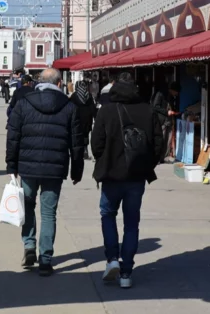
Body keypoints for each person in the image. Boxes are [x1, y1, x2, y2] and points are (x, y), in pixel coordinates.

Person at [6, 67, 84, 277]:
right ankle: (45, 259)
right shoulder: (69, 106)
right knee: (49, 213)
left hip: (28, 167)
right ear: (59, 83)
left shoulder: (24, 103)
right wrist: (77, 170)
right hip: (55, 168)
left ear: (39, 82)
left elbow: (13, 135)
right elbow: (77, 142)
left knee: (28, 205)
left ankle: (29, 244)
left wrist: (11, 165)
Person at [91, 72, 163, 289]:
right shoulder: (147, 110)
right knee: (132, 222)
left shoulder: (106, 110)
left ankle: (112, 258)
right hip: (136, 176)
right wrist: (147, 164)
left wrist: (104, 159)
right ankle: (126, 272)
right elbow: (158, 144)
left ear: (114, 87)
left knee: (108, 214)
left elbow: (96, 144)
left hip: (111, 174)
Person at [152, 82, 181, 162]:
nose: (176, 94)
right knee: (161, 139)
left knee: (168, 139)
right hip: (162, 120)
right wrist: (166, 112)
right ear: (173, 90)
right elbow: (155, 107)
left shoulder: (171, 97)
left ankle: (165, 156)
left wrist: (174, 111)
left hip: (169, 120)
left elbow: (171, 107)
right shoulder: (160, 94)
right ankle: (157, 157)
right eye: (176, 92)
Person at [70, 80, 97, 160]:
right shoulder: (89, 95)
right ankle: (85, 150)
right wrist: (95, 117)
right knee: (85, 135)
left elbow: (70, 107)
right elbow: (93, 108)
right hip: (87, 119)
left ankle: (78, 151)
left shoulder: (74, 96)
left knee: (77, 135)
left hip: (77, 118)